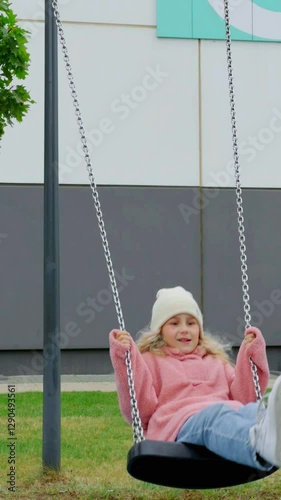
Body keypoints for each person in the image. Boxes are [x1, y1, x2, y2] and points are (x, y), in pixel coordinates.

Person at [109, 286, 281, 471]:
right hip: (179, 424)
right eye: (174, 323)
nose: (184, 329)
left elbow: (244, 397)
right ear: (160, 330)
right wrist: (125, 357)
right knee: (213, 417)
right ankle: (259, 445)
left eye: (191, 323)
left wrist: (251, 354)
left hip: (226, 413)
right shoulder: (151, 360)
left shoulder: (215, 360)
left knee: (253, 411)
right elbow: (141, 411)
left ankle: (272, 434)